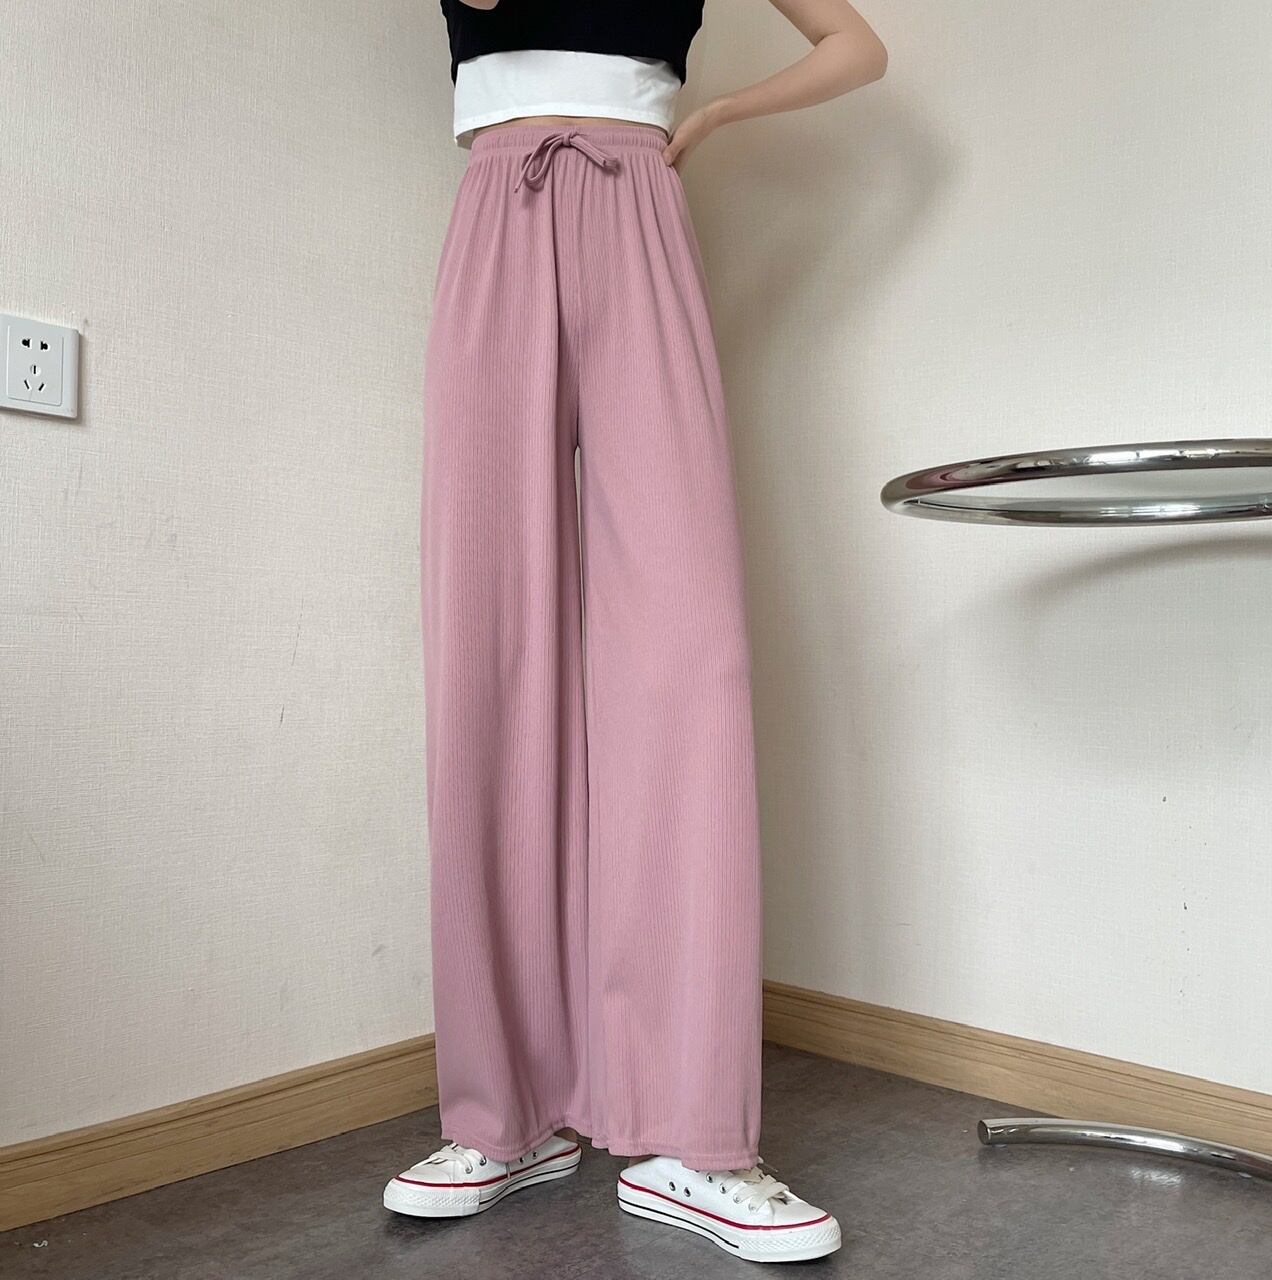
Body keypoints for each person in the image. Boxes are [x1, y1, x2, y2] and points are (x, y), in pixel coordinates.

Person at [383, 0, 887, 1264]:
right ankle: (504, 1115)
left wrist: (710, 114)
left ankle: (690, 1136)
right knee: (485, 645)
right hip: (497, 208)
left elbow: (854, 45)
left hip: (641, 212)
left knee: (686, 652)